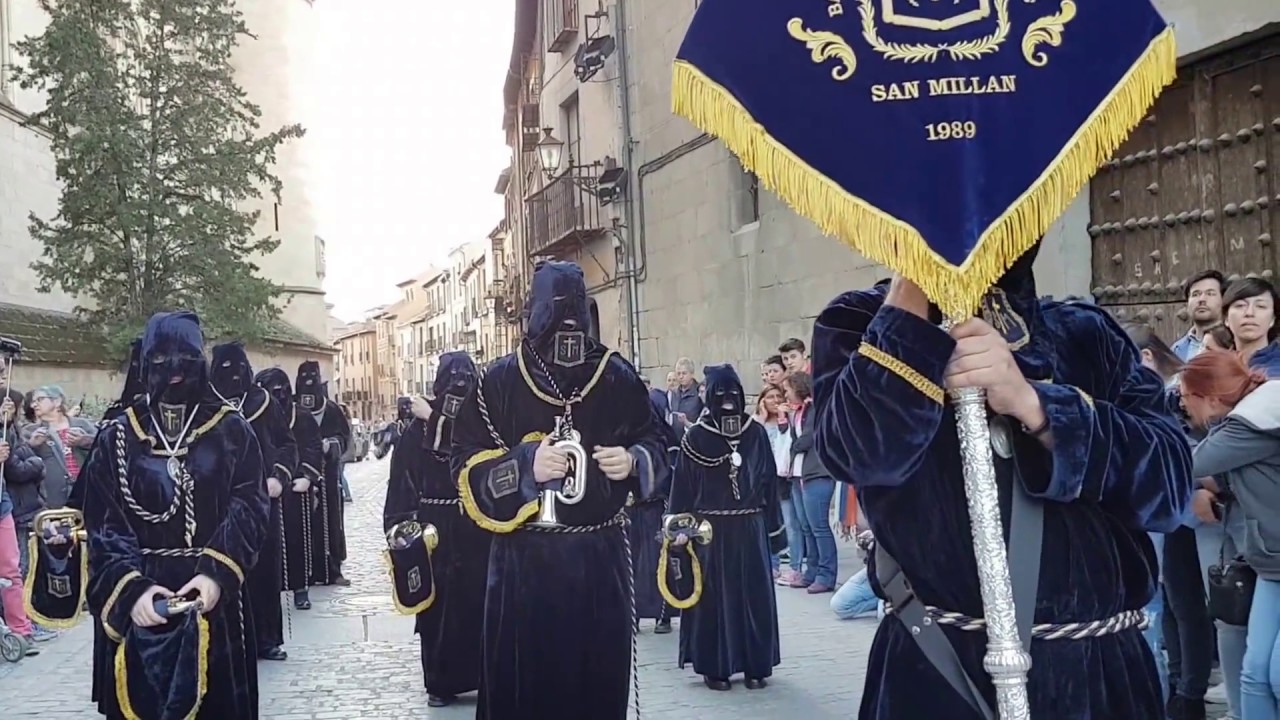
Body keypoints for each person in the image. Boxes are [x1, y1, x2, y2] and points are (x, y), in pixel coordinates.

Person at [811, 244, 1193, 719]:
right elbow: (860, 454)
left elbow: (1170, 488)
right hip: (943, 674)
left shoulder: (1084, 332)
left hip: (1104, 676)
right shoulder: (861, 323)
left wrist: (1036, 405)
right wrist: (912, 307)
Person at [451, 260, 669, 720]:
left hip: (599, 563)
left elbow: (658, 441)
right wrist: (525, 465)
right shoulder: (499, 381)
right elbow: (465, 467)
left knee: (595, 687)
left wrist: (634, 459)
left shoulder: (615, 375)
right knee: (526, 692)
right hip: (524, 568)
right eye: (557, 309)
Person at [81, 310, 268, 718]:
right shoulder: (118, 435)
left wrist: (216, 572)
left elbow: (250, 507)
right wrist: (132, 590)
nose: (174, 371)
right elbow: (103, 524)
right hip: (141, 598)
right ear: (146, 362)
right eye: (161, 359)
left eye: (185, 358)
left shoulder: (231, 430)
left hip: (212, 600)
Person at [382, 352, 490, 707]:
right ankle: (440, 682)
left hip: (477, 526)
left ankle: (482, 676)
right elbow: (402, 479)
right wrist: (400, 526)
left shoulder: (483, 426)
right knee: (437, 608)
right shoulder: (416, 432)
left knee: (481, 602)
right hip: (435, 529)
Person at [666, 363, 782, 691]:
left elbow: (769, 482)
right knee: (714, 600)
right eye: (722, 393)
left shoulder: (754, 432)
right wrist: (678, 529)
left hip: (750, 528)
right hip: (710, 531)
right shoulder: (696, 436)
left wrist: (774, 531)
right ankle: (715, 667)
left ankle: (756, 665)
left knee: (753, 598)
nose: (728, 400)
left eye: (733, 392)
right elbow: (682, 485)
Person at [1181, 350, 1280, 720]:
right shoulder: (1250, 419)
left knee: (1276, 675)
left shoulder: (1251, 423)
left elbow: (1190, 463)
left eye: (1184, 396)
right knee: (1253, 675)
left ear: (1209, 397)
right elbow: (1218, 477)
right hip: (1271, 563)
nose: (1181, 405)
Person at [210, 342, 298, 661]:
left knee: (263, 570)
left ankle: (266, 638)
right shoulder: (205, 406)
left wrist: (279, 477)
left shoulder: (264, 402)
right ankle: (229, 642)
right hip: (217, 504)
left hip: (261, 500)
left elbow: (287, 445)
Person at [255, 368, 317, 611]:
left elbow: (311, 447)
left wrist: (307, 476)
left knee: (297, 540)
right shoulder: (255, 415)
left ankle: (301, 588)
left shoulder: (302, 416)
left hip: (294, 489)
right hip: (263, 490)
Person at [630, 380, 682, 635]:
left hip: (656, 507)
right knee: (632, 562)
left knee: (658, 561)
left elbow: (671, 474)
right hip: (631, 508)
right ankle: (635, 614)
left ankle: (664, 614)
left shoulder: (667, 440)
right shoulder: (627, 437)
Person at [298, 361, 351, 587]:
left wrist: (331, 445)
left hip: (328, 477)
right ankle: (306, 572)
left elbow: (344, 437)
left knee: (330, 522)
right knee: (304, 524)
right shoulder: (293, 409)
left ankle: (332, 570)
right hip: (302, 476)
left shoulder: (331, 410)